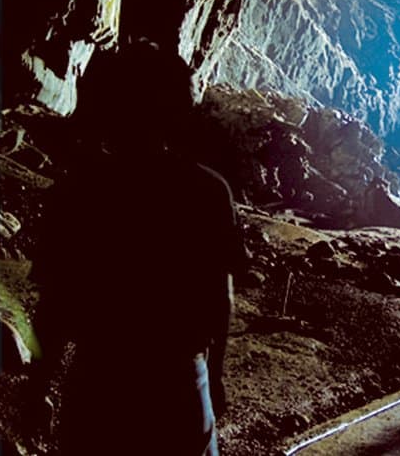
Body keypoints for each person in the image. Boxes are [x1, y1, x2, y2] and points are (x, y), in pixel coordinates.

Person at [25, 41, 245, 455]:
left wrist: (39, 387)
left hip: (97, 383)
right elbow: (219, 297)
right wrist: (214, 377)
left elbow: (53, 302)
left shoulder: (77, 191)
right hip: (178, 383)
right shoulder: (207, 192)